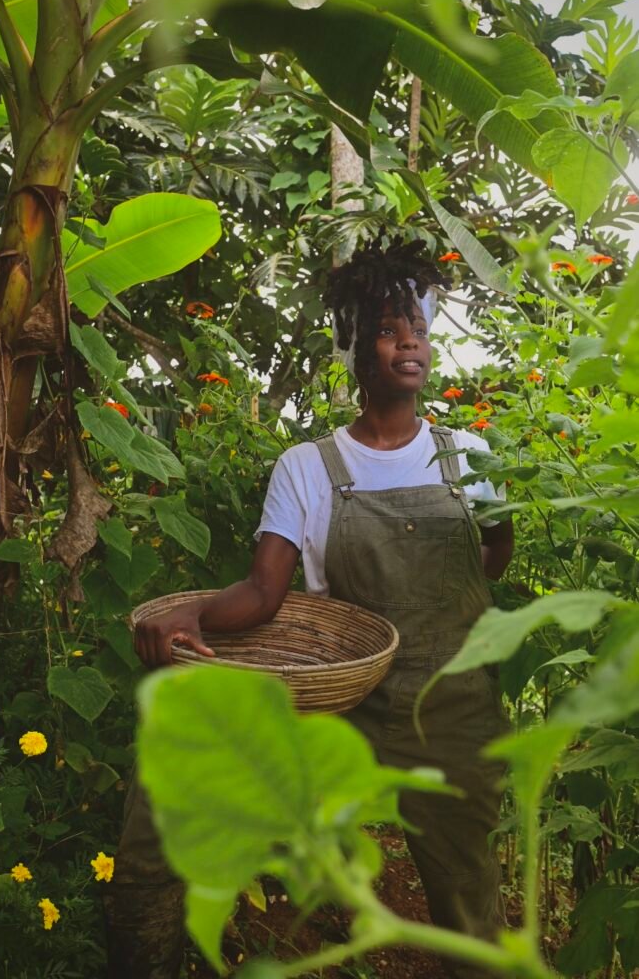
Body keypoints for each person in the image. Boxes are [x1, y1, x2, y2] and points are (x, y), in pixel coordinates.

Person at [104, 236, 514, 979]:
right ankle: (147, 952)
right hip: (342, 700)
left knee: (467, 898)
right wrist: (193, 615)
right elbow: (264, 594)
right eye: (388, 330)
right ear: (352, 346)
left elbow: (491, 557)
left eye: (418, 328)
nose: (409, 344)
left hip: (449, 705)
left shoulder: (469, 458)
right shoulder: (309, 467)